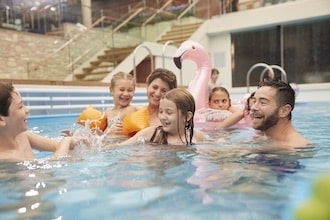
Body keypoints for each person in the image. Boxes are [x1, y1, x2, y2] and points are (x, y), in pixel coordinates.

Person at [0, 82, 73, 162]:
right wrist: (67, 140)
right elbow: (54, 164)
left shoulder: (23, 136)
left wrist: (74, 141)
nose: (27, 110)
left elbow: (58, 147)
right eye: (20, 107)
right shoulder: (7, 159)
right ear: (1, 119)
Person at [108, 88, 206, 147]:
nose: (162, 117)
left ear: (187, 116)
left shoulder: (196, 137)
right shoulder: (152, 133)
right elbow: (121, 146)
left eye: (169, 112)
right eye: (161, 111)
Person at [249, 80, 310, 148]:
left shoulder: (295, 148)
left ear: (284, 111)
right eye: (254, 101)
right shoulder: (265, 139)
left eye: (263, 102)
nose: (253, 107)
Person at [122, 68, 177, 136]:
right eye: (155, 87)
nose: (157, 94)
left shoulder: (172, 120)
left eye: (163, 91)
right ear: (147, 86)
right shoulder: (133, 113)